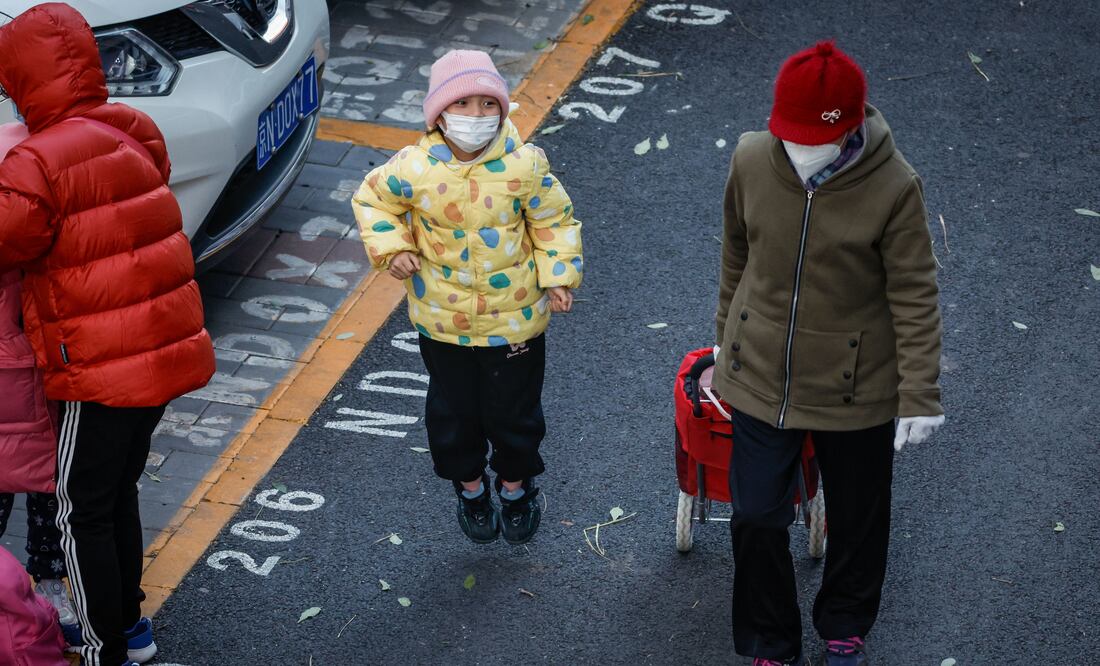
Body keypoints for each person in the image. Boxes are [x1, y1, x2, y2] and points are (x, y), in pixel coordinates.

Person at [713, 42, 944, 666]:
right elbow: (737, 252)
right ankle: (770, 639)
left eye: (810, 138)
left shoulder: (896, 188)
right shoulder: (751, 157)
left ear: (848, 126)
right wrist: (723, 336)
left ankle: (844, 620)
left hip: (858, 384)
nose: (795, 149)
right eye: (784, 134)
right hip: (760, 372)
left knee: (860, 516)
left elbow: (915, 295)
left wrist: (920, 392)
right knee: (756, 516)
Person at [0, 4, 216, 666]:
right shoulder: (132, 126)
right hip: (164, 352)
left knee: (78, 512)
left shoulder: (36, 160)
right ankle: (132, 627)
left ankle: (102, 649)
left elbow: (14, 236)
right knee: (115, 493)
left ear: (24, 79)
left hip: (99, 368)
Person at [352, 50, 583, 546]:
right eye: (464, 105)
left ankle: (517, 488)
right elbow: (373, 202)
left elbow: (553, 221)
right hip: (442, 322)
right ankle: (471, 488)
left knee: (515, 412)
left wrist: (558, 274)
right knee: (453, 413)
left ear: (503, 110)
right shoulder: (413, 169)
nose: (477, 117)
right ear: (438, 115)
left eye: (488, 104)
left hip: (516, 319)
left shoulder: (525, 164)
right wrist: (392, 248)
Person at [0, 120, 81, 647]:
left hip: (36, 374)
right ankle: (48, 586)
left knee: (48, 485)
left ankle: (50, 584)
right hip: (25, 376)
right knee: (46, 485)